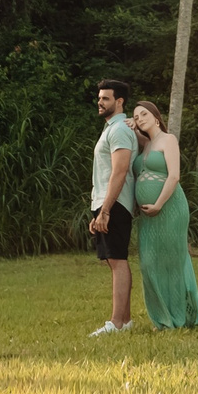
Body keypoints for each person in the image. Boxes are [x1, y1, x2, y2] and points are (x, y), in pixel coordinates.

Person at [128, 99, 198, 329]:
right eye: (136, 116)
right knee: (149, 263)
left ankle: (180, 316)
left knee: (172, 262)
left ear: (156, 116)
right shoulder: (146, 144)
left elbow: (174, 176)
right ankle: (162, 318)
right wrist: (130, 123)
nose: (139, 118)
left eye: (143, 114)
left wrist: (159, 204)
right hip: (147, 217)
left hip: (170, 209)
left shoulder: (168, 140)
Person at [86, 79, 137, 336]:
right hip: (106, 202)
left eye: (105, 98)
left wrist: (106, 209)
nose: (100, 102)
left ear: (119, 102)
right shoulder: (111, 128)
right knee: (112, 260)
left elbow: (120, 170)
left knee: (117, 260)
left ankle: (116, 323)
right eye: (99, 97)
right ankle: (125, 321)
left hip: (115, 202)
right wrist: (98, 209)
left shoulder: (119, 130)